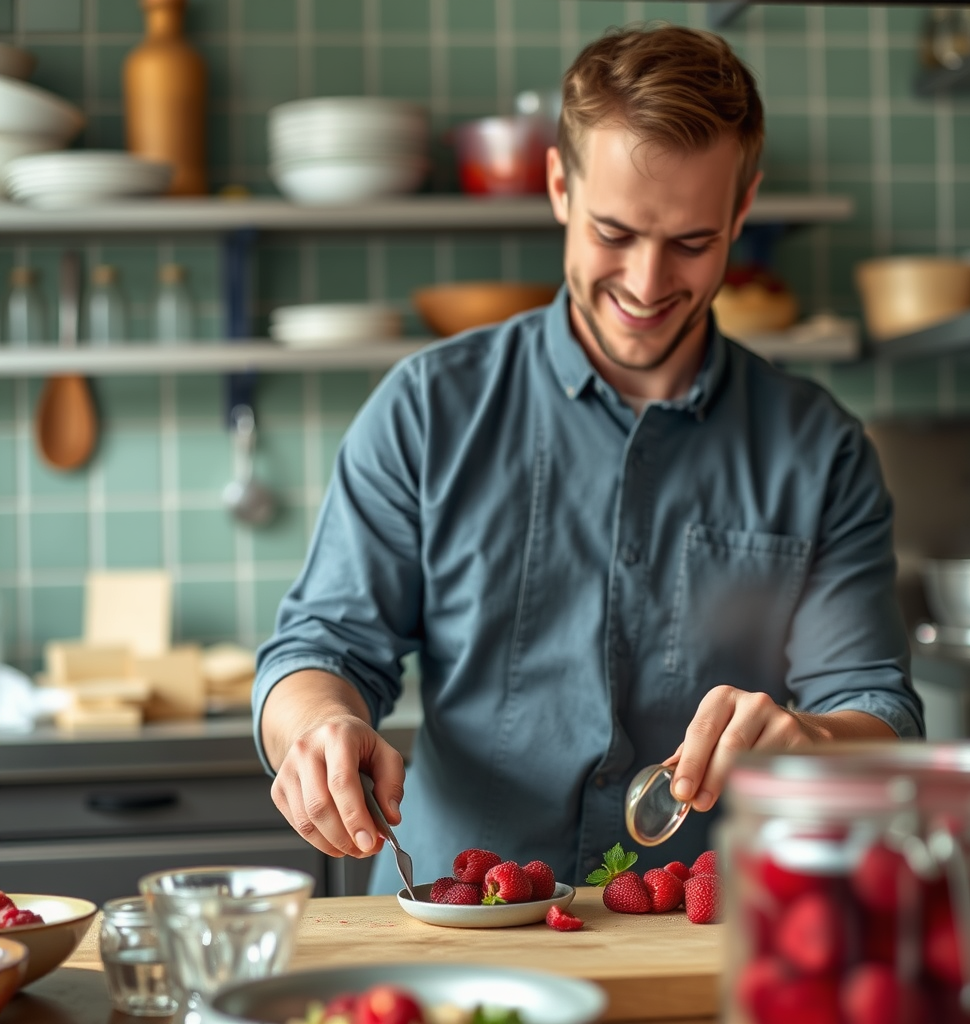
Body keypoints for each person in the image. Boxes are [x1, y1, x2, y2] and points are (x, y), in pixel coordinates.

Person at [253, 23, 924, 895]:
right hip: (460, 920)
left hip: (701, 931)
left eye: (692, 243)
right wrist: (318, 727)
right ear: (560, 186)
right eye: (615, 232)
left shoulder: (822, 449)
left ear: (742, 211)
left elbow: (875, 706)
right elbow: (324, 647)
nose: (647, 284)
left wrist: (815, 740)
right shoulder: (426, 408)